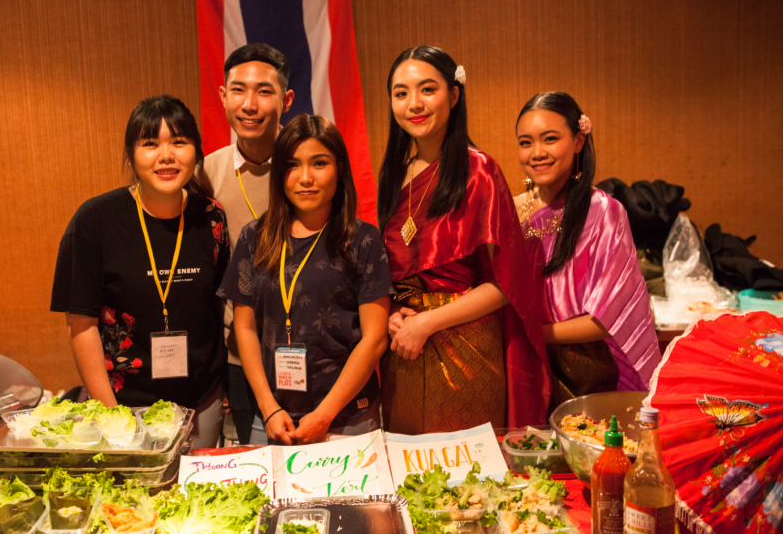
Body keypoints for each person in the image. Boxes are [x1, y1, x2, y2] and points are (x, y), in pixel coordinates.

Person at [378, 46, 550, 434]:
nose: (414, 104)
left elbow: (507, 285)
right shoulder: (395, 173)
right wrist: (395, 314)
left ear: (453, 96)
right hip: (405, 350)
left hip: (466, 350)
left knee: (466, 480)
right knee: (410, 477)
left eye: (427, 90)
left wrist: (427, 323)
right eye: (401, 93)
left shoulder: (479, 171)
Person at [50, 95, 229, 448]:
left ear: (196, 151)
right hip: (124, 404)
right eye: (151, 144)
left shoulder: (211, 218)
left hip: (202, 400)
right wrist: (110, 415)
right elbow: (81, 325)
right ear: (131, 154)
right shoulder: (95, 221)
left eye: (179, 142)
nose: (167, 156)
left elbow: (218, 310)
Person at [218, 114, 393, 445]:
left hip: (347, 421)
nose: (305, 178)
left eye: (319, 163)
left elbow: (375, 339)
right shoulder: (254, 238)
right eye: (292, 165)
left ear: (340, 169)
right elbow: (244, 327)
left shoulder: (363, 241)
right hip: (271, 420)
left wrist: (323, 416)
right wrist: (268, 408)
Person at [513, 91, 661, 410]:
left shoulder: (604, 213)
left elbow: (605, 319)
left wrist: (534, 334)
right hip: (520, 363)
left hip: (585, 370)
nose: (537, 153)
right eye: (526, 143)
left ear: (579, 141)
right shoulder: (510, 212)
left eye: (550, 139)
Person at [201, 43, 294, 445]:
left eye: (264, 91)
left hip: (313, 347)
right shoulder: (206, 174)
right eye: (238, 90)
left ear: (286, 99)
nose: (250, 104)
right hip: (239, 355)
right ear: (223, 97)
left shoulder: (310, 166)